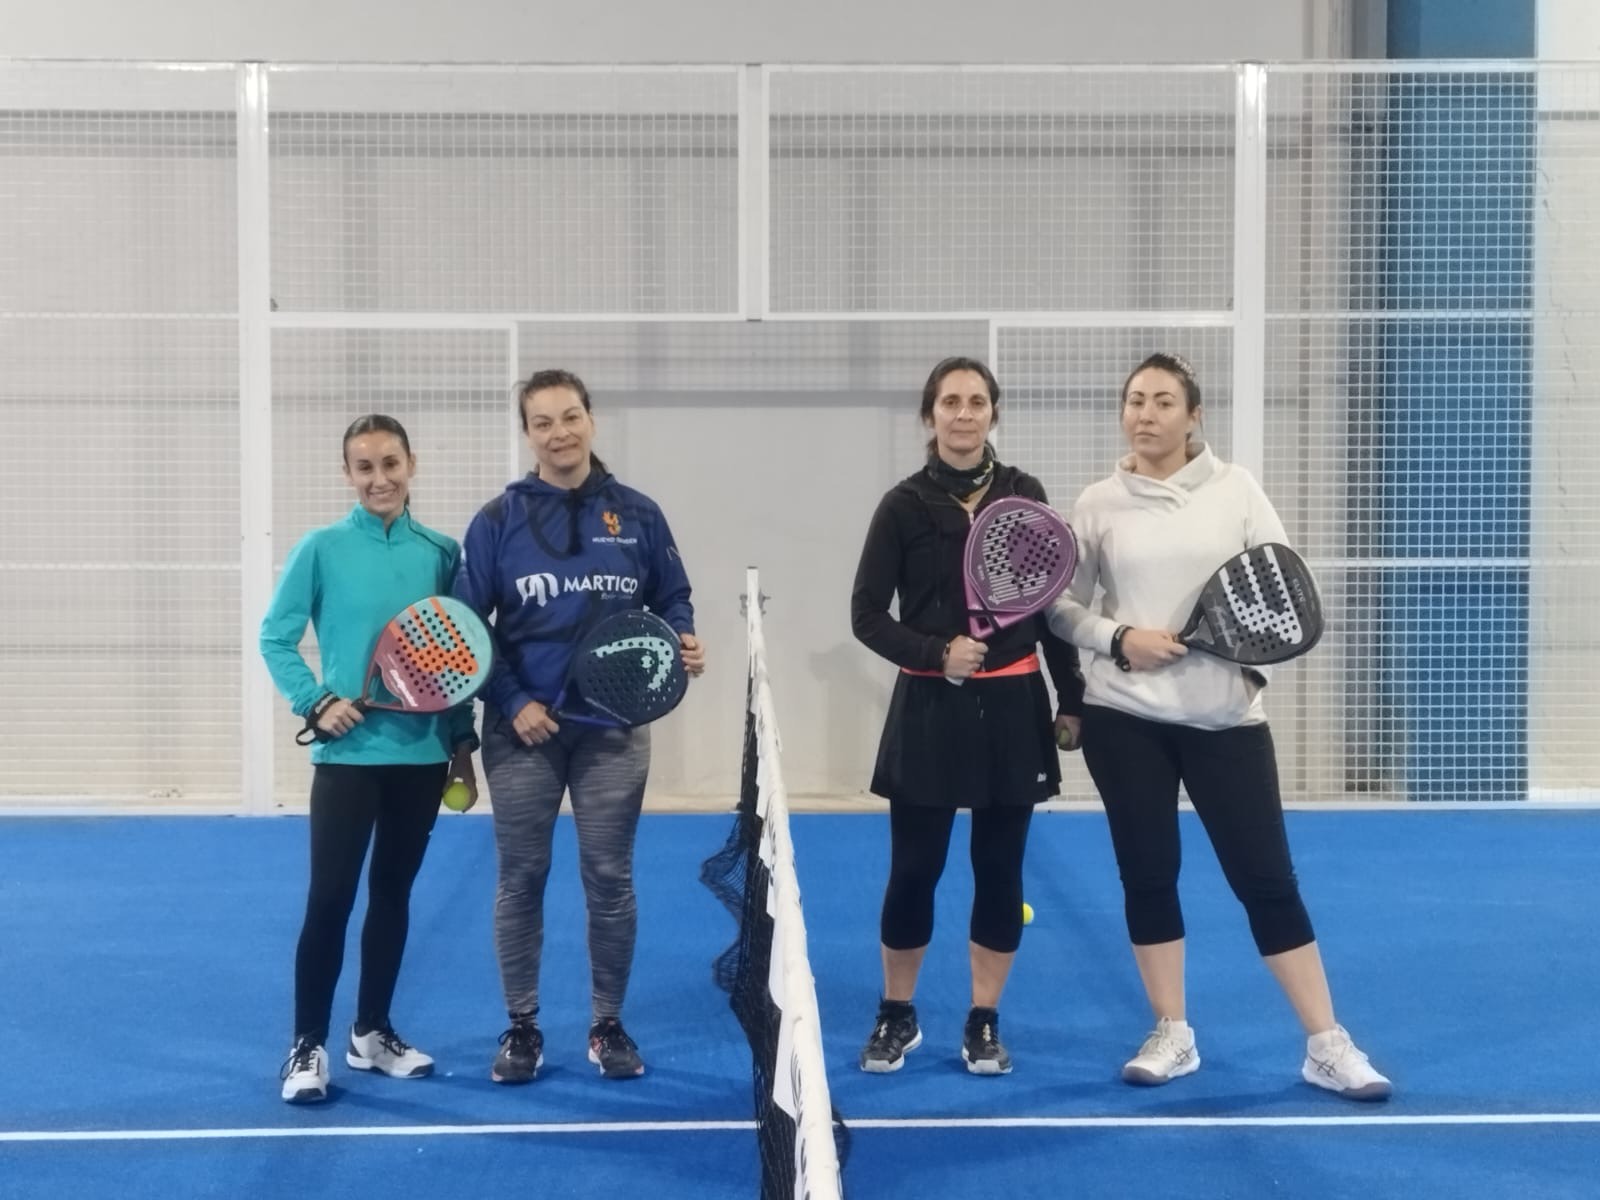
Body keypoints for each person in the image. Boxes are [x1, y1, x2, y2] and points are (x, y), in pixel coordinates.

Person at [1047, 352, 1391, 1101]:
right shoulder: (1098, 502)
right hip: (1124, 719)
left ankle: (1326, 1044)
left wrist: (1244, 670)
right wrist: (1118, 638)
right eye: (1135, 400)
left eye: (1163, 401)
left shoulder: (1238, 490)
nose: (1145, 414)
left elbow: (1285, 590)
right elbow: (1062, 607)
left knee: (1266, 881)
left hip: (1226, 721)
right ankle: (1172, 1032)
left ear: (1193, 415)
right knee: (1148, 876)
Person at [453, 368, 703, 1084]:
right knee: (522, 876)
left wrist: (682, 637)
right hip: (521, 733)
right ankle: (522, 1027)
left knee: (609, 876)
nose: (559, 433)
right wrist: (511, 701)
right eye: (543, 422)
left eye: (570, 417)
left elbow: (673, 596)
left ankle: (607, 1025)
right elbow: (468, 625)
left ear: (590, 420)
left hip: (612, 731)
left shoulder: (639, 515)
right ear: (527, 434)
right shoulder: (497, 520)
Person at [850, 356, 1084, 1076]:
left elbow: (1045, 604)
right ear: (930, 415)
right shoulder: (901, 505)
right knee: (913, 872)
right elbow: (866, 615)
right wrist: (934, 652)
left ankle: (984, 1020)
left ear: (993, 413)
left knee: (1000, 873)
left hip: (1014, 708)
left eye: (976, 401)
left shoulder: (1023, 495)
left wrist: (1072, 697)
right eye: (950, 402)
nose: (963, 413)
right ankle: (897, 1013)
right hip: (927, 709)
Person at [261, 414, 479, 1106]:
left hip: (422, 758)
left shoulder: (442, 553)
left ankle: (372, 1032)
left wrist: (462, 746)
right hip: (347, 759)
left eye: (390, 463)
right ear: (347, 473)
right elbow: (275, 638)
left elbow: (454, 657)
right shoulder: (321, 548)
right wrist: (316, 702)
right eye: (364, 467)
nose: (379, 479)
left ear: (412, 464)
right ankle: (307, 1045)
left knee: (392, 894)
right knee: (329, 899)